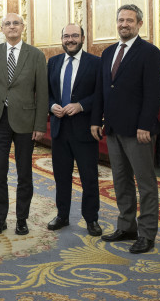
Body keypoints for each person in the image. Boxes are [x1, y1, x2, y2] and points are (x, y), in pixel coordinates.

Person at [91, 4, 160, 254]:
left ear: (139, 24)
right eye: (121, 20)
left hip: (138, 130)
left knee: (145, 183)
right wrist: (95, 120)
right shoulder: (108, 52)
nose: (124, 24)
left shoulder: (150, 52)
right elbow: (102, 89)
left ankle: (147, 234)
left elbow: (153, 93)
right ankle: (126, 226)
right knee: (120, 180)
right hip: (112, 128)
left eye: (129, 21)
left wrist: (146, 124)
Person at [0, 13, 47, 236]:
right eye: (7, 24)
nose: (12, 27)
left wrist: (40, 124)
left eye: (16, 23)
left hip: (26, 122)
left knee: (24, 172)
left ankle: (21, 218)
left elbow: (42, 92)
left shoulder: (36, 55)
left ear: (23, 28)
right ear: (1, 29)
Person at [47, 24, 103, 237]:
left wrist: (81, 106)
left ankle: (91, 219)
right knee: (61, 176)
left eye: (75, 36)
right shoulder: (53, 62)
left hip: (85, 129)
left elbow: (100, 95)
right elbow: (47, 94)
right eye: (67, 36)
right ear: (61, 39)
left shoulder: (96, 63)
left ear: (83, 38)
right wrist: (52, 106)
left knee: (89, 178)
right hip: (59, 129)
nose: (70, 39)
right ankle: (62, 215)